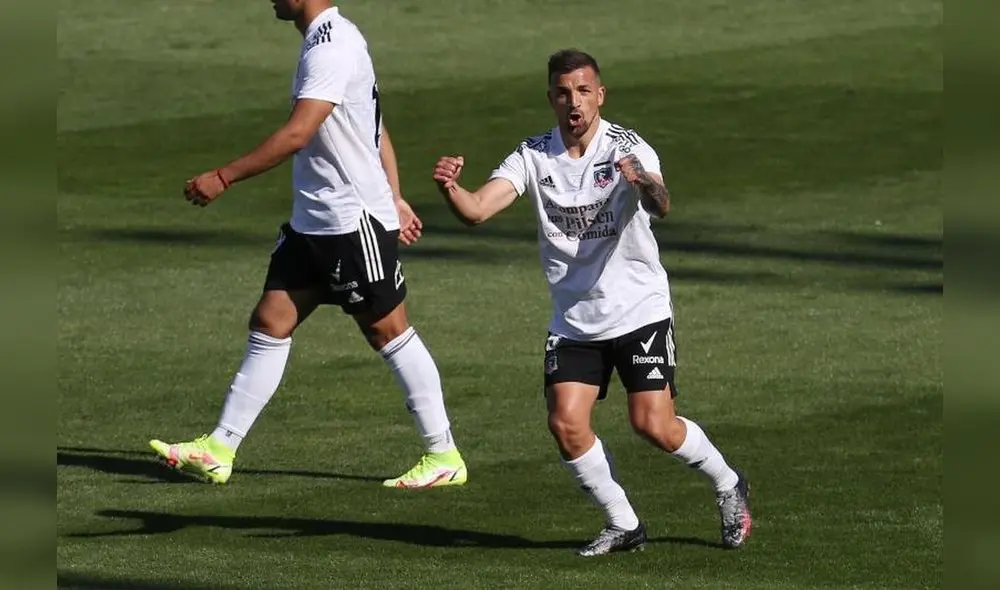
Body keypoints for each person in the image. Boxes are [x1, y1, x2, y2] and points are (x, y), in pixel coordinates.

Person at [432, 49, 751, 556]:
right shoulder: (533, 154)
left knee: (653, 425)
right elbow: (477, 210)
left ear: (600, 95)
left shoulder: (627, 147)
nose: (573, 102)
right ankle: (624, 523)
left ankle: (728, 482)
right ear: (551, 98)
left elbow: (662, 204)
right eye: (563, 93)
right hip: (576, 320)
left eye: (583, 91)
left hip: (639, 310)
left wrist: (642, 181)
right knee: (566, 423)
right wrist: (452, 188)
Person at [149, 0, 467, 490]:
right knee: (270, 323)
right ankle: (219, 448)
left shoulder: (332, 45)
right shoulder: (327, 39)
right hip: (313, 223)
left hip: (348, 221)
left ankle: (443, 453)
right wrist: (396, 195)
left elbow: (299, 134)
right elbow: (373, 127)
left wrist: (223, 176)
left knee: (388, 330)